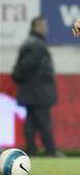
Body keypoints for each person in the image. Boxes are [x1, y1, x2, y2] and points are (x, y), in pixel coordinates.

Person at [12, 17, 59, 156]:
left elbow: (21, 69)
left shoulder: (32, 43)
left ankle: (31, 149)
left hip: (31, 91)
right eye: (44, 26)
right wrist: (18, 76)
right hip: (37, 92)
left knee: (31, 122)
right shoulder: (36, 45)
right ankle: (50, 150)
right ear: (36, 27)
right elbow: (25, 67)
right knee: (44, 122)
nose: (46, 29)